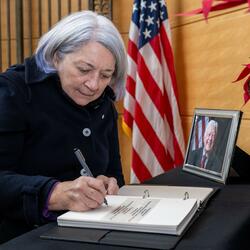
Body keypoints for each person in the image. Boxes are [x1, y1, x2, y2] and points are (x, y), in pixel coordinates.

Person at [0, 10, 127, 243]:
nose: (93, 85)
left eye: (106, 75)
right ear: (56, 57)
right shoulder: (14, 91)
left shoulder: (104, 106)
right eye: (84, 69)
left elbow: (114, 172)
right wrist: (53, 194)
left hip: (90, 233)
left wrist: (108, 183)